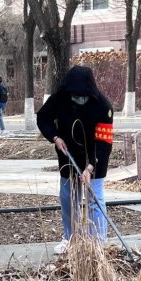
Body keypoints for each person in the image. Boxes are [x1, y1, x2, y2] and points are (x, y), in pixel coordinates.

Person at [37, 66, 114, 255]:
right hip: (68, 154)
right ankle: (71, 238)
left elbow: (103, 142)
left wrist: (90, 167)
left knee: (94, 199)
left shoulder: (103, 106)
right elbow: (43, 118)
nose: (78, 98)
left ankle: (98, 243)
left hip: (95, 156)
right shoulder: (60, 98)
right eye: (75, 95)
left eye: (81, 95)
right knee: (68, 199)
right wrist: (55, 137)